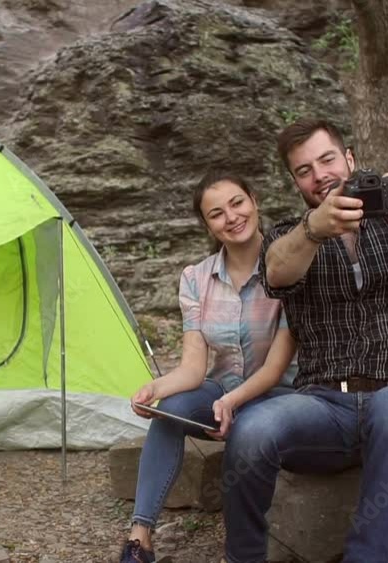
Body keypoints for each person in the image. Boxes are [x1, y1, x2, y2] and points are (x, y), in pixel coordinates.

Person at [220, 118, 388, 563]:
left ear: (350, 159)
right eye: (304, 170)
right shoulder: (289, 235)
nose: (319, 175)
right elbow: (277, 272)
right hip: (323, 407)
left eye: (327, 160)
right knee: (251, 429)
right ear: (295, 182)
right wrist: (314, 229)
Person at [119, 171, 299, 563]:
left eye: (237, 203)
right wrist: (154, 390)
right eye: (216, 213)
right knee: (168, 410)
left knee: (249, 428)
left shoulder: (286, 267)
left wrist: (233, 402)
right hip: (220, 391)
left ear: (254, 201)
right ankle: (139, 538)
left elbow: (275, 368)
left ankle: (240, 551)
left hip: (277, 395)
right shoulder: (195, 278)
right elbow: (193, 369)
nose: (231, 217)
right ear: (207, 224)